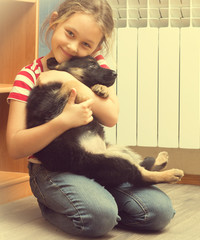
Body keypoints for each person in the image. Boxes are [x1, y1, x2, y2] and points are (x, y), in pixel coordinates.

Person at [6, 0, 175, 237]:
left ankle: (96, 204)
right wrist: (63, 121)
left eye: (86, 44)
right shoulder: (29, 76)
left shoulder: (94, 67)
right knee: (99, 217)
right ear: (55, 21)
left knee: (158, 212)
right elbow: (14, 146)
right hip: (52, 170)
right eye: (69, 33)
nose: (74, 47)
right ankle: (64, 207)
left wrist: (70, 81)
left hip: (93, 161)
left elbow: (111, 117)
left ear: (97, 48)